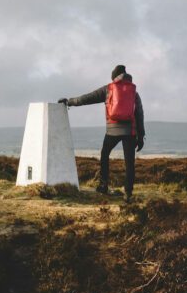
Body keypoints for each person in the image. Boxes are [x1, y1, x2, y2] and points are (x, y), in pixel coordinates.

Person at [58, 64, 145, 201]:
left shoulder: (108, 89)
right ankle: (128, 193)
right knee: (129, 162)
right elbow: (139, 114)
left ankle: (103, 185)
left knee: (105, 154)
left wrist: (69, 102)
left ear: (114, 77)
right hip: (130, 131)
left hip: (112, 130)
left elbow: (87, 98)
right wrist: (141, 136)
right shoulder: (133, 91)